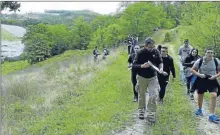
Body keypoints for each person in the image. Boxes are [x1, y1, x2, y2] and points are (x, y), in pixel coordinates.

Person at [132, 37, 163, 122]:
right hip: (142, 77)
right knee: (141, 94)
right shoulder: (140, 52)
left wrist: (161, 68)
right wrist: (142, 66)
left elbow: (160, 62)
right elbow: (134, 66)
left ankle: (151, 114)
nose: (151, 49)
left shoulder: (156, 51)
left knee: (153, 94)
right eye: (150, 47)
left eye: (153, 47)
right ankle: (141, 110)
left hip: (153, 77)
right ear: (145, 46)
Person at [191, 48, 220, 124]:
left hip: (212, 79)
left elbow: (219, 71)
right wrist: (199, 74)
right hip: (202, 79)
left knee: (214, 95)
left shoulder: (216, 61)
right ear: (205, 53)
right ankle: (199, 109)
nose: (210, 54)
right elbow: (193, 69)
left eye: (211, 52)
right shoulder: (200, 61)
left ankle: (211, 115)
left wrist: (215, 76)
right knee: (200, 94)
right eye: (208, 52)